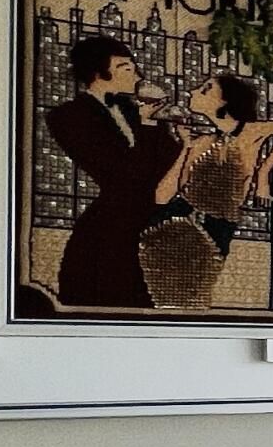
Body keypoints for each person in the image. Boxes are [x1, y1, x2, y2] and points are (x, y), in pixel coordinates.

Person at [142, 72, 273, 309]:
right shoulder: (202, 142)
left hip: (216, 225)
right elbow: (162, 196)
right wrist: (186, 148)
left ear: (225, 100)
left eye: (205, 89)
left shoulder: (252, 132)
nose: (193, 92)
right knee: (166, 292)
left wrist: (263, 172)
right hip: (173, 224)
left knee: (195, 292)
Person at [42, 33, 182, 310]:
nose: (137, 75)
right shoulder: (69, 116)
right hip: (109, 227)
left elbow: (168, 162)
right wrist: (146, 126)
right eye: (125, 68)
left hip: (150, 222)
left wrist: (169, 131)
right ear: (99, 73)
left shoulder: (134, 110)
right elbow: (119, 173)